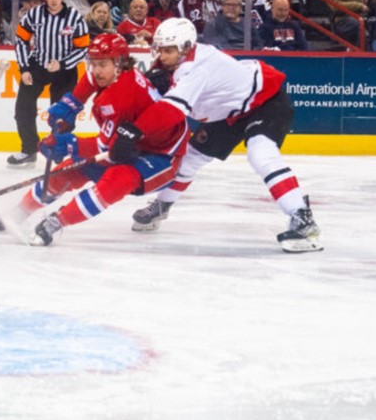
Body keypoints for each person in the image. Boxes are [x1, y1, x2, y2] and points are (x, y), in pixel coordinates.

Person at [127, 18, 323, 252]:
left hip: (264, 100)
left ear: (187, 47)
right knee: (191, 157)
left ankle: (302, 218)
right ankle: (162, 206)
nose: (163, 55)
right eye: (160, 49)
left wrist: (134, 133)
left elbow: (170, 112)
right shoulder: (175, 61)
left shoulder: (196, 69)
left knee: (261, 154)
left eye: (168, 50)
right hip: (230, 111)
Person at [0, 33, 189, 246]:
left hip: (160, 154)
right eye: (93, 63)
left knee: (116, 180)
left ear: (120, 63)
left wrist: (67, 143)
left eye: (102, 64)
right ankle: (19, 213)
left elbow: (105, 147)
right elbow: (88, 80)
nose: (96, 70)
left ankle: (55, 222)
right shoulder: (112, 73)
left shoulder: (123, 95)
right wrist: (69, 105)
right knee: (67, 170)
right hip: (130, 140)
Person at [9, 0, 90, 167]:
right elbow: (20, 40)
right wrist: (24, 68)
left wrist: (62, 64)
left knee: (62, 114)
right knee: (23, 108)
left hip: (65, 70)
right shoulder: (33, 15)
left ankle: (59, 151)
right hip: (37, 66)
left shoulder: (75, 17)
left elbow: (83, 48)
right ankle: (29, 149)